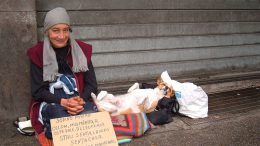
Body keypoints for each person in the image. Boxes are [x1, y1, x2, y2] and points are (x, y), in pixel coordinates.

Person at [27, 7, 98, 140]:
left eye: (65, 30)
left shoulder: (82, 50)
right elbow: (38, 91)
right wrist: (64, 102)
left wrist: (80, 100)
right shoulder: (37, 53)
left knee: (92, 114)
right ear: (47, 32)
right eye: (55, 30)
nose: (61, 36)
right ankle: (52, 128)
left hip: (78, 100)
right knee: (61, 116)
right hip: (53, 102)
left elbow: (92, 85)